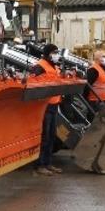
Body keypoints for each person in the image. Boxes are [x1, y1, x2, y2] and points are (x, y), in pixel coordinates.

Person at [34, 43, 66, 176]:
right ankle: (40, 165)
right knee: (45, 136)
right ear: (47, 54)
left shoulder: (54, 66)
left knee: (51, 135)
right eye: (54, 52)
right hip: (44, 107)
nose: (56, 55)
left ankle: (48, 163)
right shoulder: (39, 66)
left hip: (54, 105)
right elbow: (34, 83)